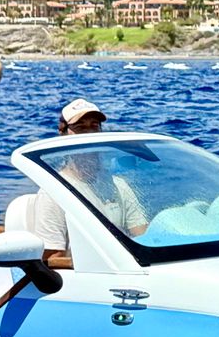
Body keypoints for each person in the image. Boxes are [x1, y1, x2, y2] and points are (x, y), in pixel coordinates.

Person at [34, 99, 149, 249]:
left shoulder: (118, 184)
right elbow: (51, 258)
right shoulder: (52, 193)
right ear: (62, 133)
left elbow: (142, 235)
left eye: (94, 126)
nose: (89, 133)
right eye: (80, 127)